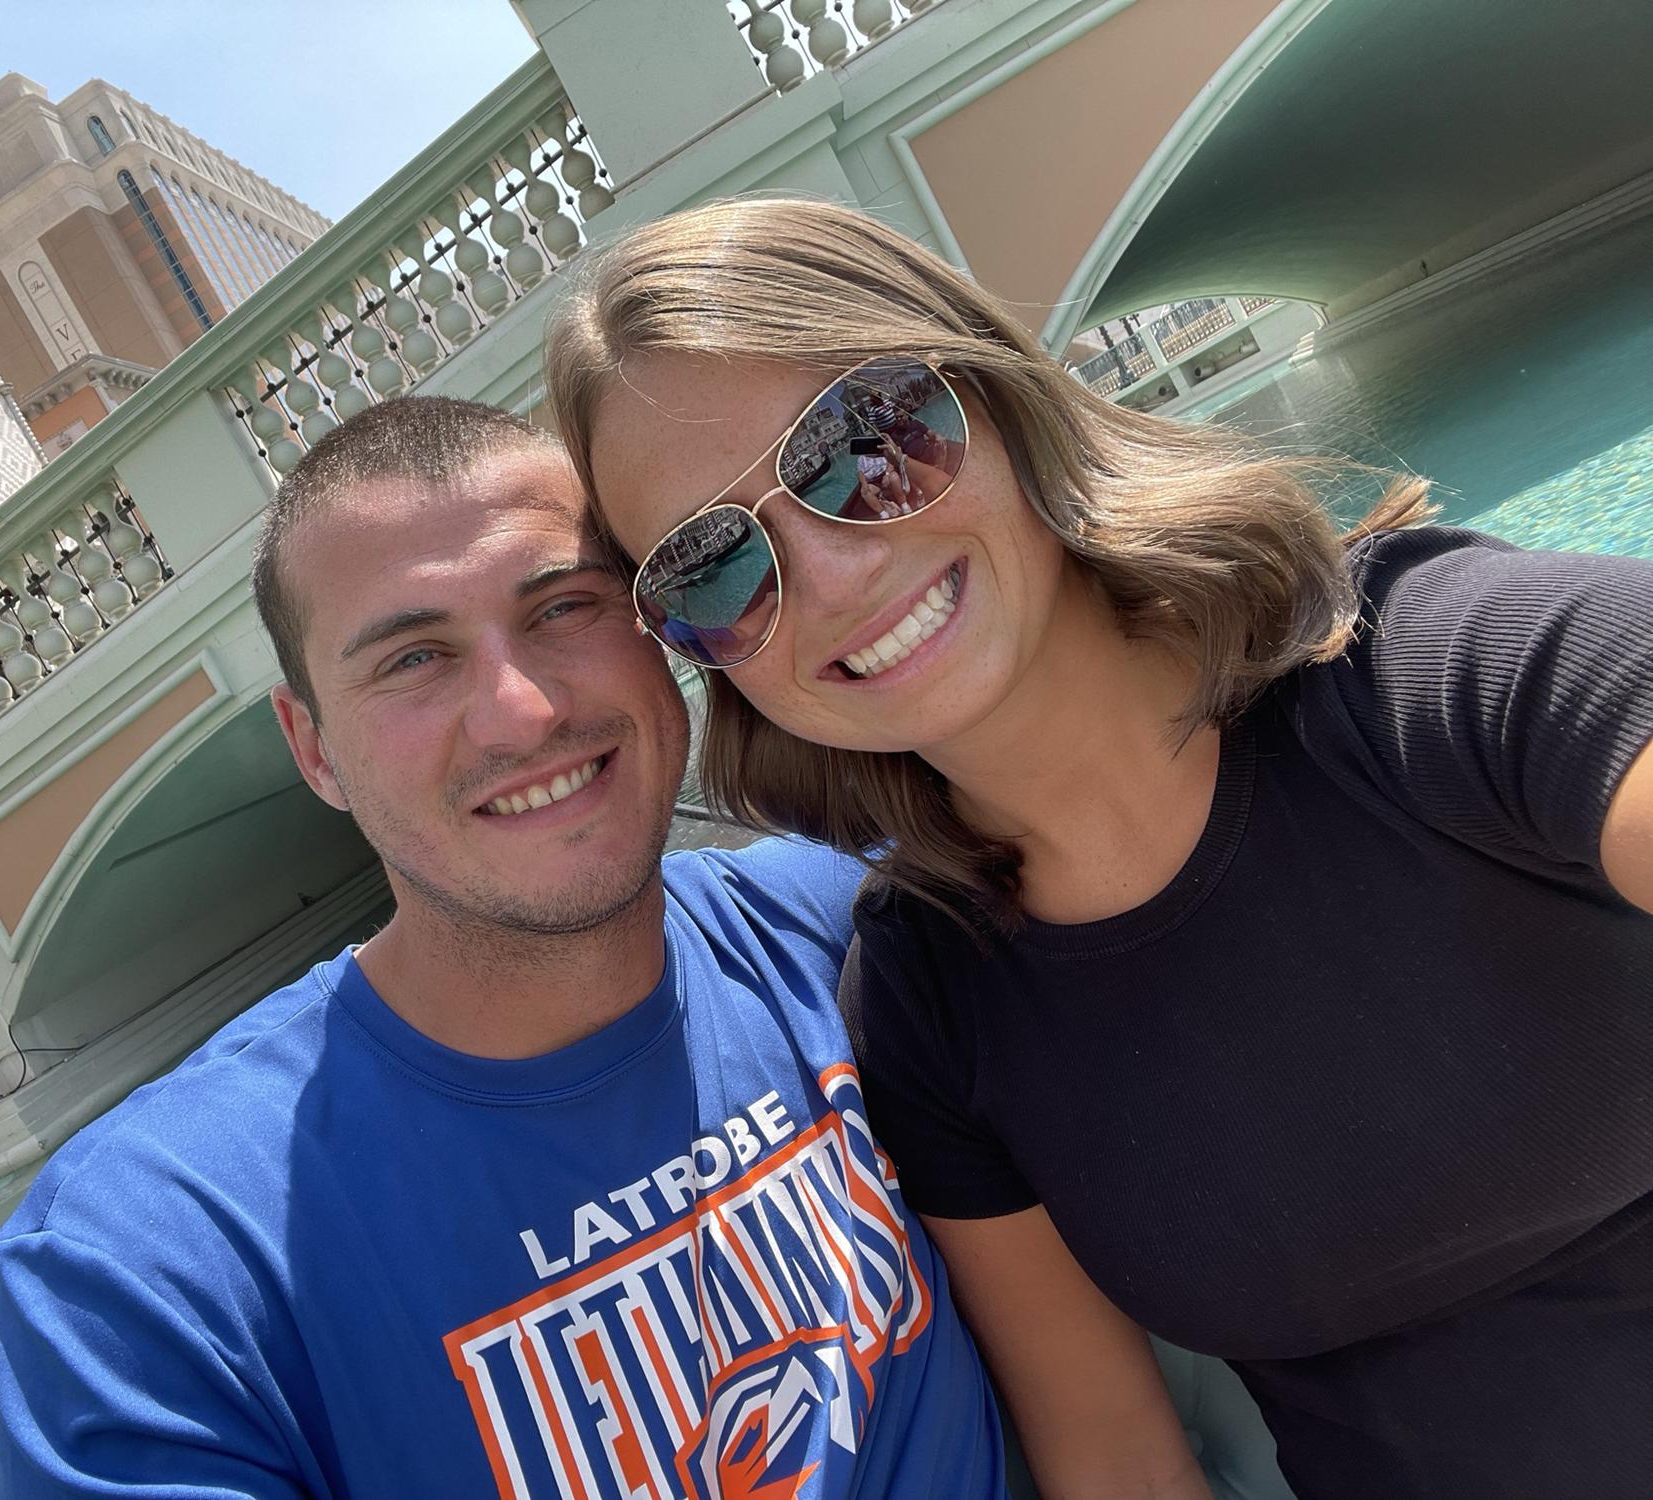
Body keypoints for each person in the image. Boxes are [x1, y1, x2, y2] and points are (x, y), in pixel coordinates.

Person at [546, 196, 1653, 1500]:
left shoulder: (1452, 668)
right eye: (711, 567)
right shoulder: (928, 995)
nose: (833, 577)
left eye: (857, 444)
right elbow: (1118, 1459)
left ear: (995, 396)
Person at [0, 396, 1006, 1498]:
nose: (520, 712)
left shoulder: (842, 928)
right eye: (414, 658)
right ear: (314, 751)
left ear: (657, 633)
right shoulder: (152, 1256)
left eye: (564, 607)